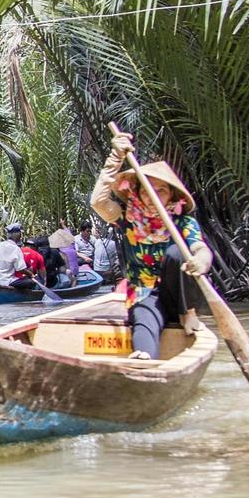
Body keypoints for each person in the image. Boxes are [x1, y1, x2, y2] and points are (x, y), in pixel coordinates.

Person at [90, 130, 210, 360]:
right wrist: (115, 156)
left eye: (161, 191)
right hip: (145, 295)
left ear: (172, 196)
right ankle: (144, 357)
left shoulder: (182, 221)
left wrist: (201, 261)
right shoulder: (127, 218)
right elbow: (98, 202)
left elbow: (200, 248)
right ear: (138, 193)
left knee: (178, 253)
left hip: (180, 298)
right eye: (147, 190)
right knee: (144, 320)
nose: (153, 196)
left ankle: (188, 314)